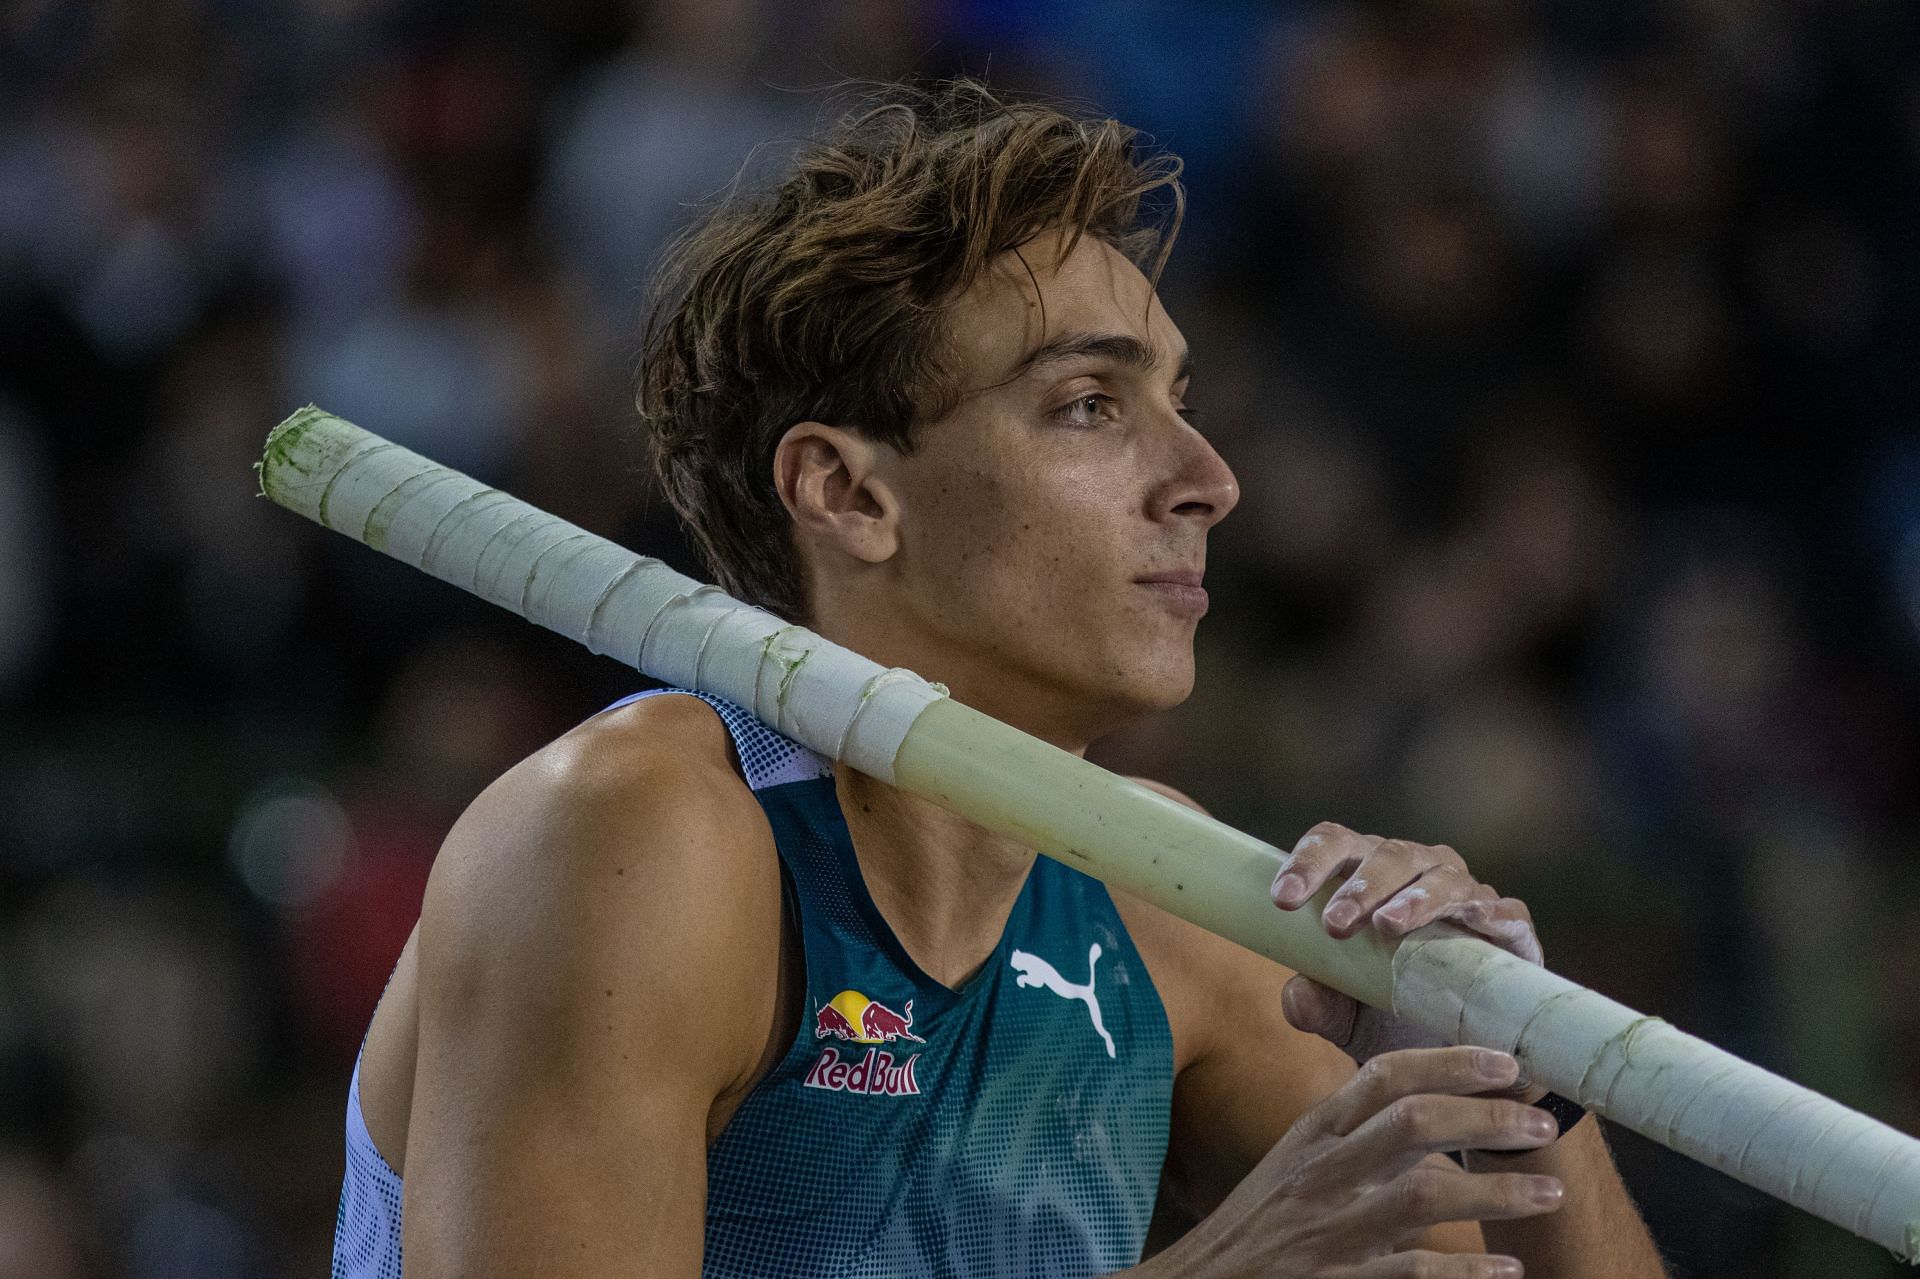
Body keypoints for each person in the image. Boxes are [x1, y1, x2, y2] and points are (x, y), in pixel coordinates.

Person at [334, 81, 1667, 1278]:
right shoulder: (632, 836)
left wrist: (1514, 1063)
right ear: (851, 493)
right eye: (1091, 404)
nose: (1209, 479)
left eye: (1184, 400)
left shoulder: (1172, 920)